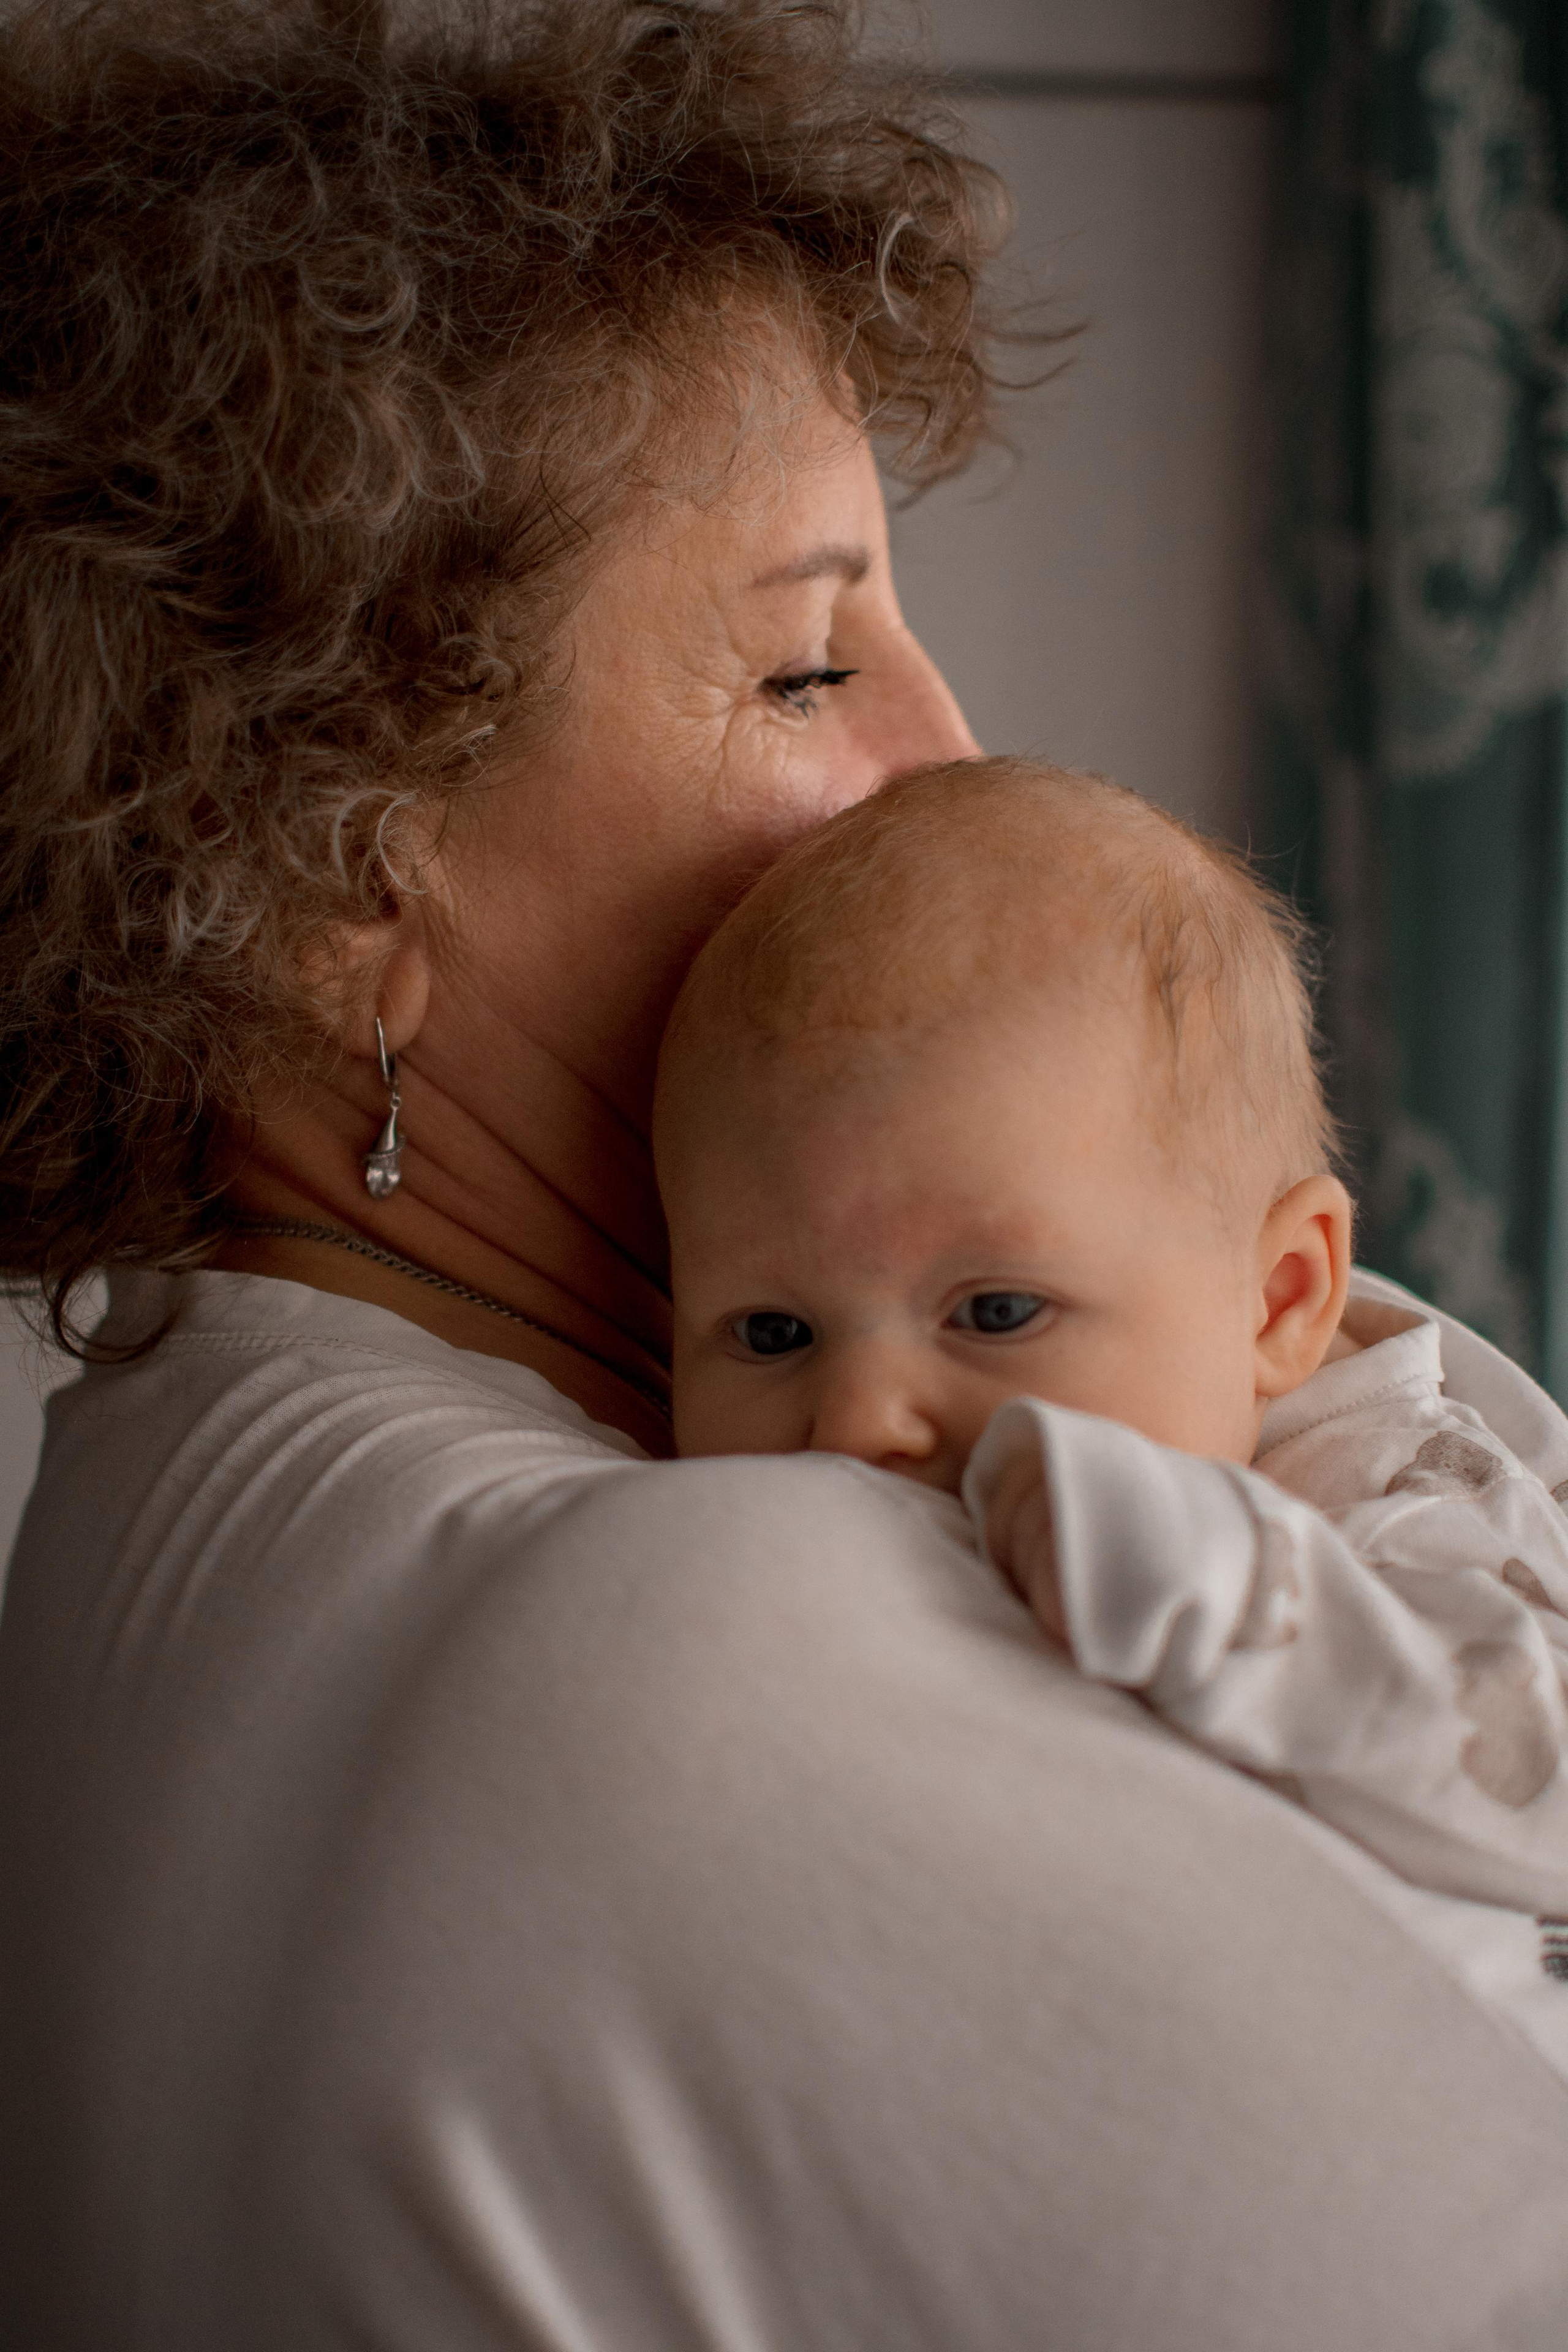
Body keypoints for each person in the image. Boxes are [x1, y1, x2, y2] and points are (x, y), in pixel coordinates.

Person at [1, 6, 1566, 2348]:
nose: (964, 761)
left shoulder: (156, 1478)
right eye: (809, 668)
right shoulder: (724, 1632)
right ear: (331, 880)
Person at [656, 756, 1568, 2076]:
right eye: (771, 1333)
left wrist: (1222, 1582)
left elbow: (1534, 1786)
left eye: (995, 1313)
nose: (855, 1423)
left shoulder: (1405, 1502)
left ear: (1274, 1299)